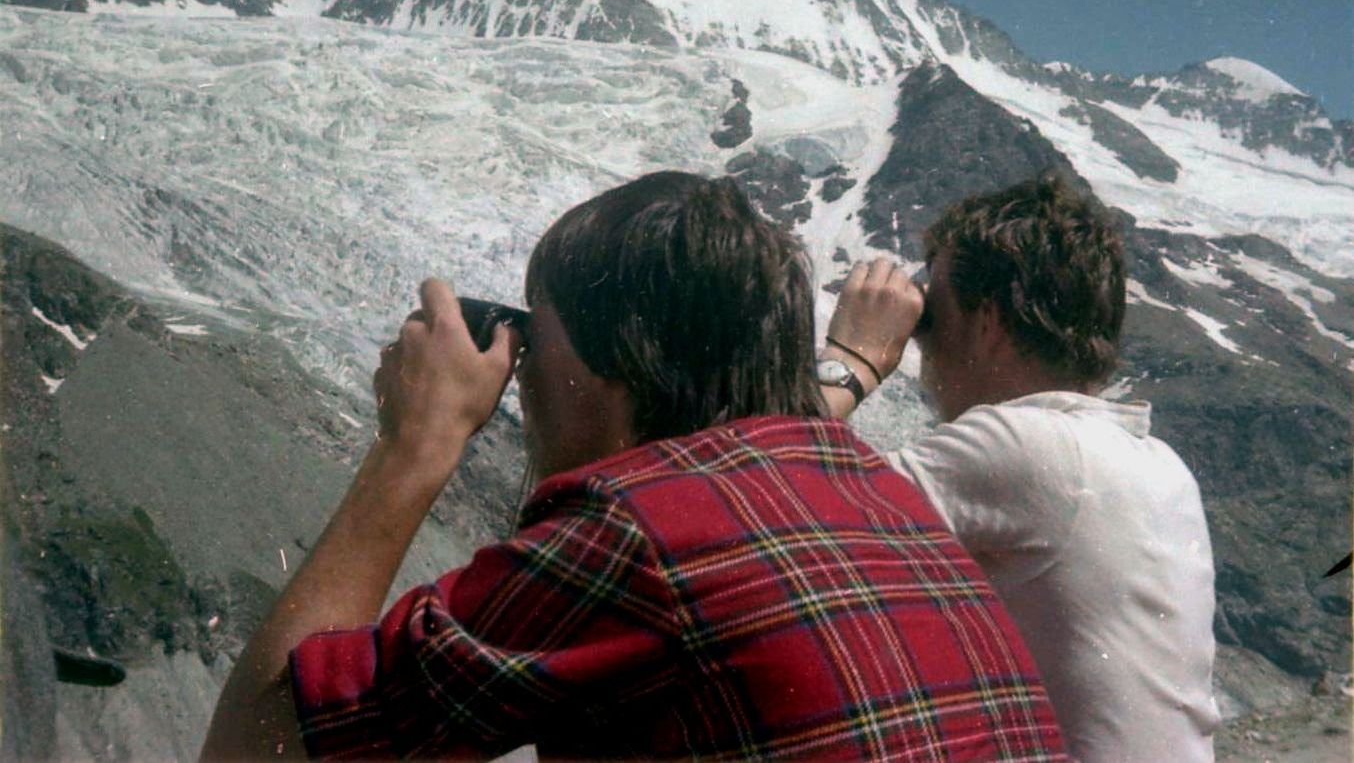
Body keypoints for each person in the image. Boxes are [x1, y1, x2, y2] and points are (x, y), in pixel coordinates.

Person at [202, 171, 1066, 760]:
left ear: (616, 359)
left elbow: (263, 743)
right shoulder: (876, 488)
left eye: (535, 335)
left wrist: (412, 449)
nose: (523, 370)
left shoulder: (636, 528)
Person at [819, 173, 1220, 762]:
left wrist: (850, 360)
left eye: (931, 314)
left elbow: (777, 507)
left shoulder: (1025, 447)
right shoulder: (1156, 461)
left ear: (990, 321)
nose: (922, 343)